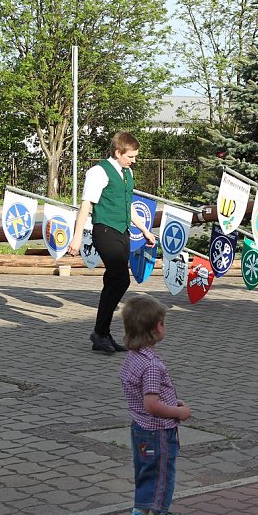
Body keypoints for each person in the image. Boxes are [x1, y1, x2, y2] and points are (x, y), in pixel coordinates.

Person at [68, 132, 157, 354]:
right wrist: (76, 238)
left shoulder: (126, 173)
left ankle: (103, 333)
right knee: (120, 279)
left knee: (112, 281)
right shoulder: (98, 172)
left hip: (122, 231)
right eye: (131, 156)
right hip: (105, 230)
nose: (134, 160)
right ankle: (99, 331)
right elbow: (86, 205)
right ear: (118, 152)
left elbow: (128, 206)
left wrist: (145, 229)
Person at [119, 294, 194, 515]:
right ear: (156, 327)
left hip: (140, 428)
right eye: (163, 322)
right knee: (158, 474)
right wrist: (179, 412)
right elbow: (151, 404)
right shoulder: (151, 365)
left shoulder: (134, 358)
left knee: (149, 471)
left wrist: (172, 402)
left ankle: (160, 513)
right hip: (156, 431)